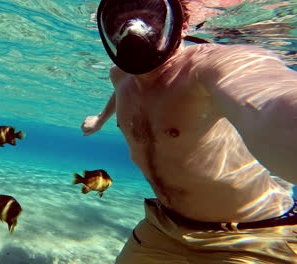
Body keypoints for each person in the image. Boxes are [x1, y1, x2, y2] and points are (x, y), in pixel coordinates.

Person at [81, 0, 297, 263]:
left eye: (151, 18)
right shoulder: (120, 74)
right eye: (118, 22)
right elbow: (122, 91)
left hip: (251, 237)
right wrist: (100, 120)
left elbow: (271, 99)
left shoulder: (210, 66)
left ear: (181, 26)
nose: (132, 31)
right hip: (161, 227)